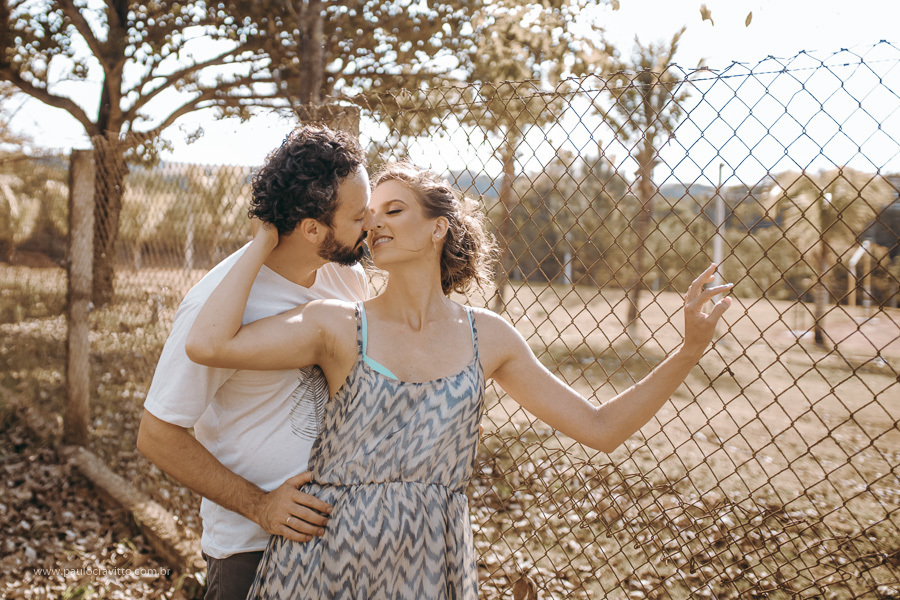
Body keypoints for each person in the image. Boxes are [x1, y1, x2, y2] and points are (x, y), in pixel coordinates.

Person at [185, 162, 734, 599]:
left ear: (437, 228)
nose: (374, 224)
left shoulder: (488, 337)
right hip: (326, 559)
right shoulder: (337, 323)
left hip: (429, 562)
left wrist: (688, 350)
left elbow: (601, 427)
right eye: (369, 216)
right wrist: (262, 241)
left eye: (394, 210)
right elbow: (208, 344)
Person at [136, 125, 376, 600]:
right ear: (312, 229)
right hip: (252, 550)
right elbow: (156, 434)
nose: (371, 223)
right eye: (358, 215)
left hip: (340, 537)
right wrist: (261, 505)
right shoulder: (217, 307)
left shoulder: (347, 279)